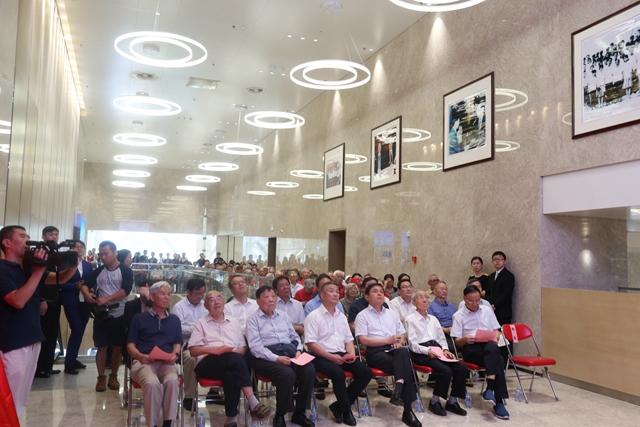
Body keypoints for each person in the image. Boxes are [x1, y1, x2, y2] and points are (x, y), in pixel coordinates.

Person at [189, 291, 274, 425]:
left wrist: (231, 353)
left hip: (232, 362)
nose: (216, 302)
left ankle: (230, 420)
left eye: (219, 298)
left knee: (231, 374)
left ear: (223, 302)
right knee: (235, 360)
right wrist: (214, 350)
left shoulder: (233, 321)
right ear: (205, 306)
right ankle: (253, 403)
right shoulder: (201, 323)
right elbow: (193, 350)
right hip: (207, 364)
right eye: (211, 300)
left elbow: (242, 347)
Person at [0, 226, 53, 416]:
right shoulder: (2, 269)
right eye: (22, 236)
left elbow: (60, 278)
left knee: (20, 400)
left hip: (32, 337)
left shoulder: (27, 269)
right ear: (7, 242)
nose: (28, 240)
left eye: (28, 236)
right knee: (8, 398)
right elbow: (17, 300)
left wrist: (71, 261)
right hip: (12, 341)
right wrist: (38, 272)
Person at [304, 281, 372, 426]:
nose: (335, 294)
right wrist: (331, 357)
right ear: (322, 295)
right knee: (338, 374)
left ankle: (338, 406)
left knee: (366, 372)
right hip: (321, 356)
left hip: (341, 353)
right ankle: (346, 410)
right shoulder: (313, 316)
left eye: (336, 291)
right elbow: (311, 344)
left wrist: (351, 354)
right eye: (331, 291)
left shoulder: (341, 316)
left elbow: (348, 339)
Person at [246, 286, 316, 427]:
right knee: (287, 374)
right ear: (258, 301)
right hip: (266, 356)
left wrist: (298, 351)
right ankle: (280, 414)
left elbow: (294, 337)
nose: (271, 300)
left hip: (289, 351)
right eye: (266, 297)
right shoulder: (253, 320)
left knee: (309, 370)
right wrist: (276, 358)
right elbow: (256, 348)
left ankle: (299, 413)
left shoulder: (283, 316)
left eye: (273, 296)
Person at [354, 281, 421, 427]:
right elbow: (363, 340)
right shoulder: (362, 316)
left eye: (381, 291)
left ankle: (398, 391)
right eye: (375, 291)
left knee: (403, 352)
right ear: (367, 297)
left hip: (394, 350)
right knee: (405, 367)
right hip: (375, 352)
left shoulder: (391, 314)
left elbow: (402, 335)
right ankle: (407, 410)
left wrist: (400, 341)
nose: (379, 293)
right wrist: (387, 340)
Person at [127, 282, 182, 427]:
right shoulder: (139, 318)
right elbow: (130, 346)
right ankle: (152, 424)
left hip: (166, 363)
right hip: (144, 362)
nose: (167, 297)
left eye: (168, 294)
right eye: (162, 294)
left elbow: (177, 344)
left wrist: (175, 355)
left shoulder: (174, 320)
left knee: (172, 381)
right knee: (152, 383)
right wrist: (140, 356)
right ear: (152, 297)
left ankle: (167, 422)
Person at [81, 240, 133, 392]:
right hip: (102, 315)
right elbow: (85, 285)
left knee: (117, 347)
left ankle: (114, 376)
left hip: (119, 313)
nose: (103, 257)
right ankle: (101, 377)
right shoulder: (99, 271)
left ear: (115, 252)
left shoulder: (125, 270)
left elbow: (126, 290)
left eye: (106, 254)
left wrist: (107, 299)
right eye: (101, 254)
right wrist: (87, 294)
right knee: (101, 346)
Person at [405, 290, 468, 417]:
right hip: (421, 352)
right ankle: (434, 401)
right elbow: (412, 344)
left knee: (462, 368)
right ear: (413, 303)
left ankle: (452, 401)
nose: (424, 300)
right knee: (445, 370)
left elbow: (441, 338)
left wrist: (445, 350)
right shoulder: (410, 319)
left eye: (426, 297)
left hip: (437, 349)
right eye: (420, 297)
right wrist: (427, 351)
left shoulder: (433, 319)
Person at [451, 285, 509, 420]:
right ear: (464, 299)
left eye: (477, 300)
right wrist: (465, 338)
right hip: (471, 348)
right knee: (498, 359)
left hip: (488, 345)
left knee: (494, 350)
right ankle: (497, 400)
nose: (475, 304)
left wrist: (496, 337)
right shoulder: (458, 316)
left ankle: (491, 391)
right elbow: (457, 341)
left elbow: (497, 330)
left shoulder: (487, 310)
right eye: (471, 301)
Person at [36, 225, 79, 378]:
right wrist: (41, 300)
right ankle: (39, 368)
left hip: (55, 300)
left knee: (52, 334)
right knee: (43, 334)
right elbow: (37, 280)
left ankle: (47, 366)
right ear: (43, 236)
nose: (54, 237)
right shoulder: (40, 253)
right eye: (50, 234)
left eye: (56, 234)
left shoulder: (55, 254)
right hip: (44, 301)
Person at [171, 278, 208, 412]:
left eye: (202, 293)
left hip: (206, 343)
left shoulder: (206, 306)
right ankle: (189, 396)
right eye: (197, 293)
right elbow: (178, 329)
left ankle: (216, 391)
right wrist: (199, 328)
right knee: (191, 359)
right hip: (186, 344)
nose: (200, 297)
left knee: (224, 355)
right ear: (188, 292)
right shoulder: (179, 307)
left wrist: (199, 329)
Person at [60, 240, 93, 374]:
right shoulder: (65, 263)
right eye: (76, 247)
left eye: (81, 247)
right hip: (70, 300)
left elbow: (93, 280)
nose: (78, 249)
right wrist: (74, 285)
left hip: (85, 301)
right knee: (77, 329)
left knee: (80, 331)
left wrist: (90, 287)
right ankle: (69, 364)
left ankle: (73, 359)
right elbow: (59, 282)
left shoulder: (88, 265)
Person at [485, 251, 515, 326]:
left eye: (500, 259)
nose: (497, 261)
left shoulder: (509, 275)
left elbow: (507, 293)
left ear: (504, 261)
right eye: (495, 259)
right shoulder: (491, 276)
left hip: (503, 312)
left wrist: (495, 305)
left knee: (503, 332)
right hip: (491, 310)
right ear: (492, 262)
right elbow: (488, 292)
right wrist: (490, 304)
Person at [427, 281, 458, 353]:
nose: (444, 291)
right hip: (440, 332)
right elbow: (431, 324)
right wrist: (445, 330)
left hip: (454, 331)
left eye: (446, 289)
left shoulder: (452, 306)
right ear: (434, 291)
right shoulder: (430, 306)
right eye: (441, 289)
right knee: (450, 347)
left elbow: (458, 320)